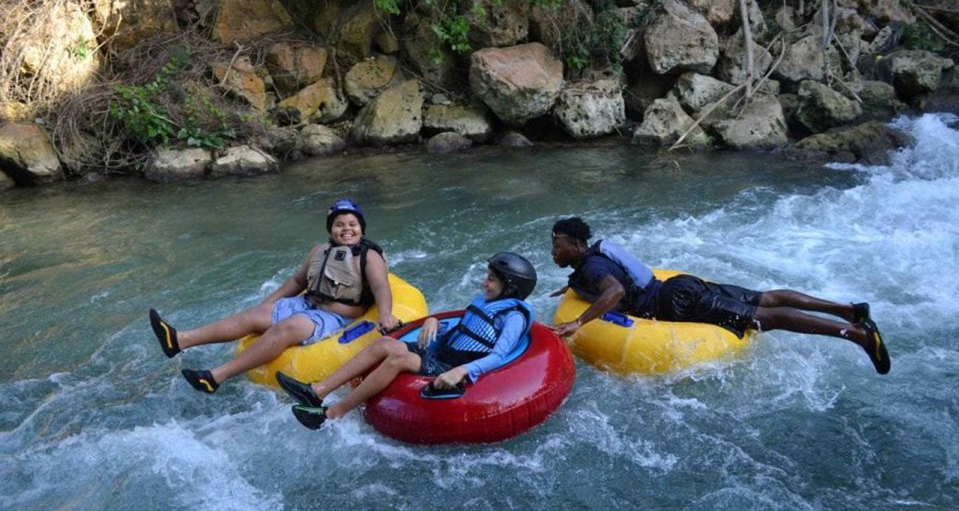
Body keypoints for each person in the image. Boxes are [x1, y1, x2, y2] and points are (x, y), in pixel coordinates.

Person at [548, 216, 891, 374]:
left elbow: (616, 289)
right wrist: (574, 286)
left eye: (557, 243)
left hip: (674, 304)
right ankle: (848, 310)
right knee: (766, 298)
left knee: (767, 319)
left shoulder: (592, 270)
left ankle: (858, 334)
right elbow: (610, 277)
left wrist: (578, 321)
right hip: (680, 285)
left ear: (576, 245)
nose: (553, 250)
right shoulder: (595, 259)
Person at [148, 199, 400, 393]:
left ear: (361, 229)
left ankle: (216, 376)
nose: (346, 229)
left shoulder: (369, 256)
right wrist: (269, 303)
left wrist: (386, 315)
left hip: (337, 315)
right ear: (331, 229)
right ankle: (179, 340)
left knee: (288, 327)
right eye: (339, 224)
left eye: (352, 224)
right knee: (255, 315)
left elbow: (381, 289)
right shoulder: (320, 250)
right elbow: (298, 281)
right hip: (307, 302)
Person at [276, 252, 538, 430]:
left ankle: (333, 414)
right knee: (385, 344)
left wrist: (461, 371)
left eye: (491, 279)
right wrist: (434, 321)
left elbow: (499, 356)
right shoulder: (487, 301)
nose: (484, 282)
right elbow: (464, 324)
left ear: (511, 287)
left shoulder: (513, 316)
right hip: (441, 351)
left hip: (454, 367)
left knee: (398, 359)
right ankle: (316, 392)